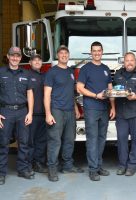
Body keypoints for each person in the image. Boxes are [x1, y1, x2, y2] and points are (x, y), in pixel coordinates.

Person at [77, 41, 115, 181]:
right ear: (91, 52)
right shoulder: (86, 68)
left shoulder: (106, 68)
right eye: (94, 50)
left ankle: (98, 166)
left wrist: (113, 107)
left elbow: (110, 89)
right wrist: (95, 95)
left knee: (101, 139)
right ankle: (92, 169)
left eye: (99, 50)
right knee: (92, 139)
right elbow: (79, 88)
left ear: (102, 51)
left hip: (104, 108)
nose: (97, 53)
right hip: (91, 108)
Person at [44, 45, 83, 182]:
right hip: (56, 111)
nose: (64, 55)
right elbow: (47, 94)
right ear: (57, 56)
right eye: (61, 53)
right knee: (55, 141)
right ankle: (52, 169)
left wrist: (76, 108)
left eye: (66, 53)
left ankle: (67, 166)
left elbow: (71, 93)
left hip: (69, 111)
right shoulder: (52, 72)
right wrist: (48, 114)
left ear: (68, 55)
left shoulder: (70, 72)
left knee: (69, 140)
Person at [0, 46, 34, 185]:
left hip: (22, 112)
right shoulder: (1, 72)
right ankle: (1, 173)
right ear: (8, 56)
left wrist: (30, 112)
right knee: (3, 143)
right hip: (5, 112)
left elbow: (30, 93)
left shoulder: (26, 74)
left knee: (24, 142)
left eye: (17, 56)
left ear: (20, 58)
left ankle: (23, 169)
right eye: (12, 55)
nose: (15, 58)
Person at [28, 54, 48, 173]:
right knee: (29, 141)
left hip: (44, 114)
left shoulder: (45, 76)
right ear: (30, 63)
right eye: (34, 60)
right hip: (31, 115)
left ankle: (39, 163)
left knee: (41, 141)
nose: (37, 62)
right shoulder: (26, 75)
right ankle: (28, 165)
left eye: (39, 60)